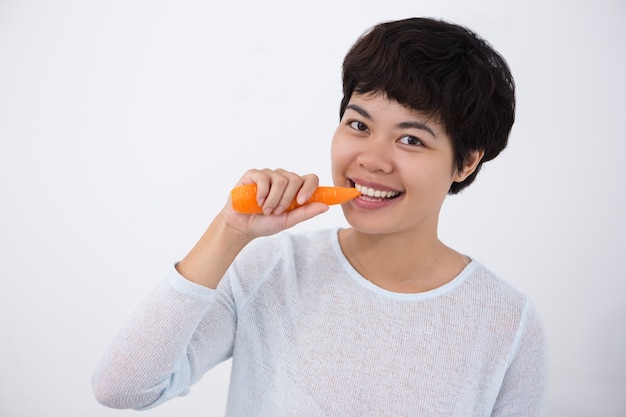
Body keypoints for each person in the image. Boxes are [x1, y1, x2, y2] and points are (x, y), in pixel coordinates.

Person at [92, 17, 548, 416]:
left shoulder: (506, 322)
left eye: (410, 140)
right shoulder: (271, 269)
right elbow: (123, 388)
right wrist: (229, 231)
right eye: (359, 125)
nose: (372, 160)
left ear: (466, 161)